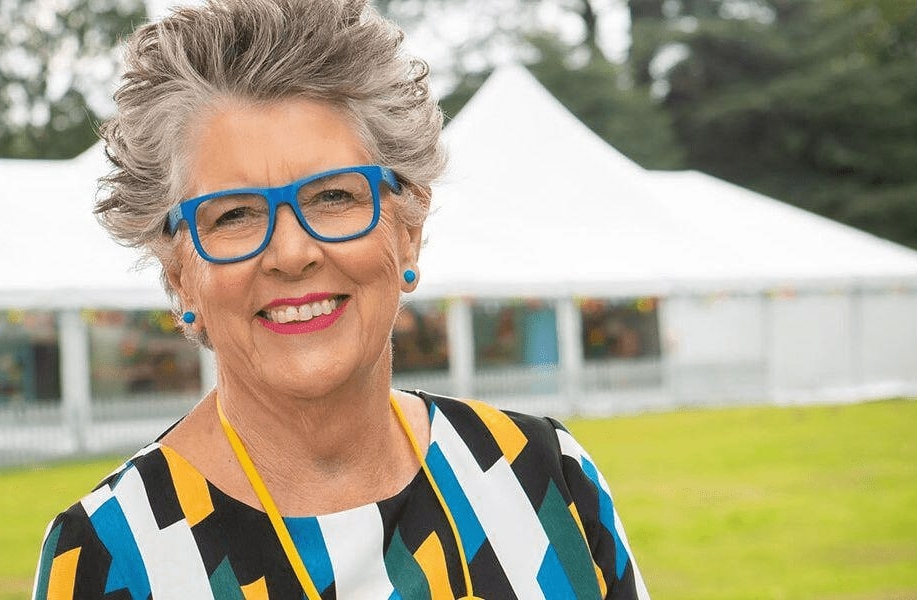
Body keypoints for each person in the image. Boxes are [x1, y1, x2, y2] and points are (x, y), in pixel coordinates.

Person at [34, 1, 649, 598]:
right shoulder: (109, 558)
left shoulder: (546, 479)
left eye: (332, 197)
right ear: (179, 276)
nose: (291, 252)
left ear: (407, 232)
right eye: (236, 215)